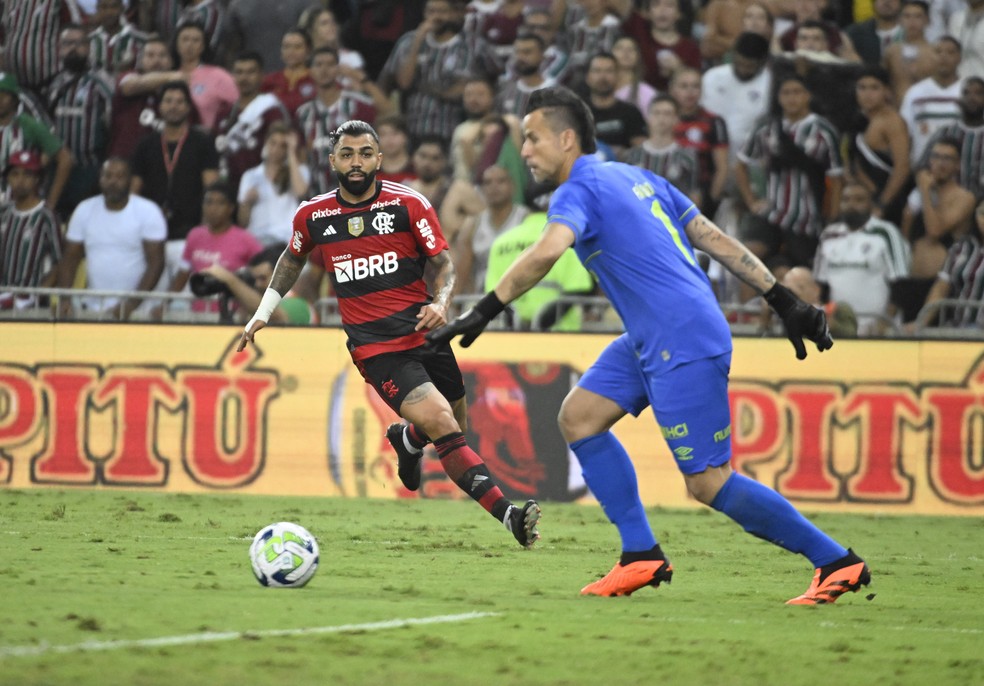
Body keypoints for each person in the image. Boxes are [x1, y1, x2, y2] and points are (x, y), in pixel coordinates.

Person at [429, 86, 870, 604]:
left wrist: (484, 308)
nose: (524, 150)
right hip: (654, 334)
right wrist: (782, 298)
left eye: (532, 138)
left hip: (680, 338)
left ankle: (837, 562)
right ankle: (640, 554)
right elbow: (713, 237)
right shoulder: (639, 177)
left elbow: (548, 251)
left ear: (567, 139)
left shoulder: (578, 189)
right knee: (580, 417)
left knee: (708, 482)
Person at [237, 119, 541, 549]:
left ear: (379, 158)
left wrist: (441, 303)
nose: (356, 162)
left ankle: (406, 438)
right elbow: (292, 258)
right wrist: (262, 312)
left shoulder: (408, 205)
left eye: (364, 153)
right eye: (347, 154)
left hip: (426, 333)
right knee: (441, 421)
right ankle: (509, 515)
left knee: (454, 425)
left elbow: (444, 265)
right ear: (333, 161)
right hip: (377, 348)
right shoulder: (315, 214)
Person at [131, 79, 220, 295]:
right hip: (152, 241)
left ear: (189, 107)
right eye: (168, 101)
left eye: (180, 102)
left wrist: (204, 233)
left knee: (186, 304)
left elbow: (212, 190)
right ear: (159, 107)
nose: (173, 106)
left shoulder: (203, 142)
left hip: (188, 237)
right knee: (151, 304)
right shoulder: (145, 144)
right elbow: (133, 192)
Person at [57, 157, 166, 319]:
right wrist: (64, 299)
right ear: (100, 179)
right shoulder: (84, 210)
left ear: (130, 180)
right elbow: (70, 259)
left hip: (139, 310)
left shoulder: (148, 212)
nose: (113, 181)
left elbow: (156, 263)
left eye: (120, 176)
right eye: (107, 176)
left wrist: (130, 305)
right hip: (95, 307)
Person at [813, 182, 911, 335]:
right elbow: (821, 285)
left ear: (870, 204)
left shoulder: (886, 233)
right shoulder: (828, 235)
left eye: (859, 200)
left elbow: (900, 283)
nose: (851, 204)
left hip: (878, 328)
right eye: (846, 200)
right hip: (839, 328)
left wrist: (884, 322)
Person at [46, 24, 115, 216]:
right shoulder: (54, 83)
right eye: (68, 43)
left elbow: (114, 121)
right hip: (57, 171)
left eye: (80, 43)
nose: (74, 48)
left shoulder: (101, 80)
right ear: (60, 48)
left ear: (89, 47)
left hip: (90, 169)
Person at [169, 181, 263, 313]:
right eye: (209, 202)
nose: (213, 208)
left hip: (232, 315)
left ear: (231, 208)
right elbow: (182, 275)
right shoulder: (194, 236)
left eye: (220, 203)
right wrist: (165, 304)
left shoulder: (246, 240)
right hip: (198, 315)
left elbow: (263, 274)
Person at [296, 47, 378, 196]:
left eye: (330, 64)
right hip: (317, 194)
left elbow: (387, 111)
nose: (324, 70)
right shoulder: (303, 113)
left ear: (338, 69)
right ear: (310, 71)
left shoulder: (356, 104)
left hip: (355, 192)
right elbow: (301, 156)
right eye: (318, 65)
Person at [214, 51, 290, 192]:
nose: (244, 78)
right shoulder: (224, 113)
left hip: (262, 188)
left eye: (250, 72)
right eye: (239, 72)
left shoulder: (272, 111)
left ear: (262, 75)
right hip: (228, 190)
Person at [847, 67, 912, 225]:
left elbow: (902, 167)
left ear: (886, 91)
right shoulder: (855, 119)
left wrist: (882, 203)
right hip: (859, 198)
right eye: (862, 87)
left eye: (874, 88)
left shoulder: (892, 122)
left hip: (888, 199)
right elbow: (850, 160)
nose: (867, 94)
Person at [0, 73, 73, 211]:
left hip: (21, 202)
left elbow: (65, 159)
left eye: (5, 94)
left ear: (14, 99)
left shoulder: (28, 124)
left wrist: (51, 203)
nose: (0, 99)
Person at [0, 151, 62, 310]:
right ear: (8, 178)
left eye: (27, 175)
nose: (20, 181)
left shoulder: (46, 216)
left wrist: (36, 295)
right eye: (15, 174)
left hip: (31, 304)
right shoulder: (4, 212)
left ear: (37, 179)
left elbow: (59, 263)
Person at [455, 165, 529, 293]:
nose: (494, 187)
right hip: (483, 297)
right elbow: (462, 274)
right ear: (481, 189)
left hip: (520, 295)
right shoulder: (472, 224)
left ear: (512, 187)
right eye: (488, 182)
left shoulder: (526, 219)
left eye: (501, 181)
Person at [238, 123, 310, 247]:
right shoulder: (250, 175)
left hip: (286, 239)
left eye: (283, 146)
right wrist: (247, 203)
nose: (276, 149)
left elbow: (300, 192)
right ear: (266, 142)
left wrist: (292, 151)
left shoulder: (300, 171)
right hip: (257, 239)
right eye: (273, 143)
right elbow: (242, 222)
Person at [898, 37, 963, 166]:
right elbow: (904, 134)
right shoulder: (915, 93)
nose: (943, 57)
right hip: (923, 170)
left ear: (959, 58)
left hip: (960, 170)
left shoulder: (969, 92)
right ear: (931, 56)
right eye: (938, 52)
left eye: (950, 52)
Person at [626, 95, 701, 205]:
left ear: (676, 119)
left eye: (667, 114)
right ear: (648, 118)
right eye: (657, 113)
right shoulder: (632, 156)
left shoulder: (687, 157)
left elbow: (694, 193)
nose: (661, 118)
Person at [585, 52, 648, 161]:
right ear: (587, 77)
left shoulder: (631, 112)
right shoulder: (577, 112)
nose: (603, 77)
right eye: (597, 71)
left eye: (609, 71)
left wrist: (625, 153)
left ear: (617, 76)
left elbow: (642, 151)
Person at [883, 0, 935, 103]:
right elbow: (883, 81)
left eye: (918, 16)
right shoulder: (891, 52)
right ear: (900, 20)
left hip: (926, 108)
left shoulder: (935, 53)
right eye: (907, 16)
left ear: (927, 20)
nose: (912, 21)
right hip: (897, 108)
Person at [87, 0, 148, 75]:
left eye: (114, 7)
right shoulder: (89, 40)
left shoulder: (140, 40)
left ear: (122, 8)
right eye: (104, 7)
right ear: (97, 9)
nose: (109, 12)